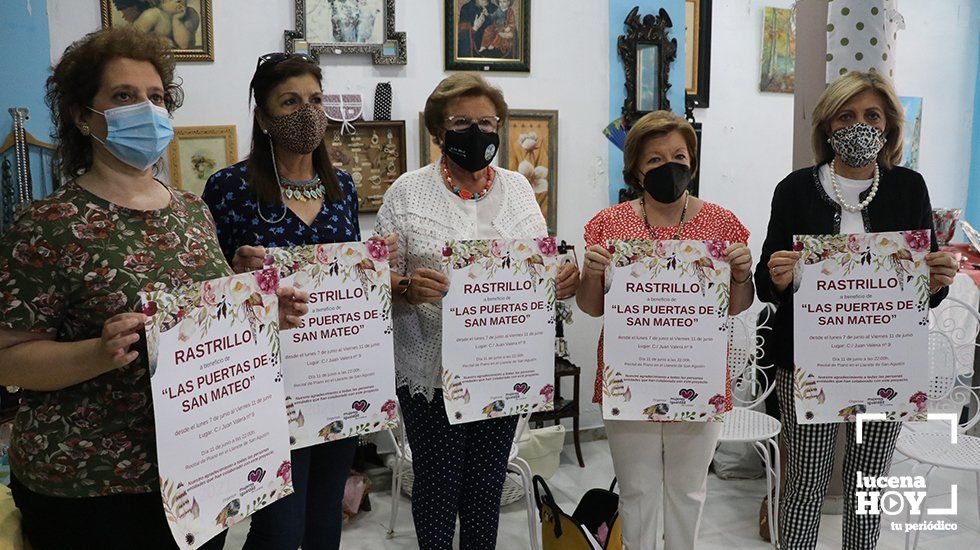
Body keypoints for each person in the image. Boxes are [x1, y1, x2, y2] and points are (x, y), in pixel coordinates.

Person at [0, 28, 308, 550]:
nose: (146, 108)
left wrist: (256, 312)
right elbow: (8, 359)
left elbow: (198, 319)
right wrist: (96, 353)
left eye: (156, 97)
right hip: (91, 486)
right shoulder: (47, 223)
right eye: (124, 96)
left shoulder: (191, 211)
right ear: (82, 116)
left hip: (197, 469)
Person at [375, 73, 580, 550]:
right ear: (437, 131)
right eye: (461, 122)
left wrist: (561, 280)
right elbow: (372, 274)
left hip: (502, 369)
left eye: (486, 122)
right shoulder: (407, 192)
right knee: (438, 489)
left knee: (488, 489)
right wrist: (405, 286)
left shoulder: (521, 189)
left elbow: (538, 268)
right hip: (432, 374)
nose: (476, 132)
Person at [756, 70, 958, 549]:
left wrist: (937, 280)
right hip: (808, 365)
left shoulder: (909, 187)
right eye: (847, 115)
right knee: (804, 485)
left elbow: (921, 291)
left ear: (888, 126)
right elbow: (766, 283)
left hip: (884, 362)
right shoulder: (795, 190)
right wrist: (777, 274)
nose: (859, 125)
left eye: (871, 115)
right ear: (828, 125)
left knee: (868, 489)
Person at [201, 52, 395, 550]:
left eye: (315, 100)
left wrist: (376, 271)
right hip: (264, 382)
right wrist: (237, 275)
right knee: (280, 530)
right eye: (290, 102)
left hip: (334, 374)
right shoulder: (229, 188)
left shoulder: (342, 188)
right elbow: (205, 292)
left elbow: (347, 282)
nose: (308, 113)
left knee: (326, 519)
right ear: (264, 117)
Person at [576, 110, 754, 550]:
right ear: (636, 168)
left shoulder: (721, 225)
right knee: (636, 491)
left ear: (692, 161)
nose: (669, 167)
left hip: (697, 374)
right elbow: (591, 307)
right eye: (655, 160)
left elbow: (736, 306)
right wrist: (591, 274)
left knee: (688, 491)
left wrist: (740, 275)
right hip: (631, 377)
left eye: (679, 155)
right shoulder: (609, 225)